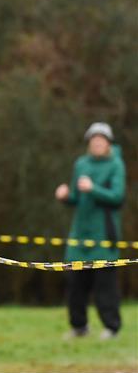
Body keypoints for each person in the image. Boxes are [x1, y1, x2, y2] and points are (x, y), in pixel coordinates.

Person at [55, 122, 125, 340]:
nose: (96, 143)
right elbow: (76, 196)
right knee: (76, 285)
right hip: (79, 235)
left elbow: (117, 197)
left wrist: (94, 189)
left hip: (104, 234)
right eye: (93, 140)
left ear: (108, 144)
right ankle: (79, 327)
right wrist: (66, 195)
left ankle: (111, 328)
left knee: (105, 287)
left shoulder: (116, 165)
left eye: (101, 140)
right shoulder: (81, 164)